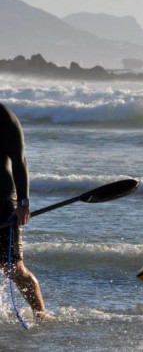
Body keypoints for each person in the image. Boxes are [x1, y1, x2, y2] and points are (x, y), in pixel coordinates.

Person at [0, 103, 46, 320]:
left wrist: (23, 204)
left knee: (13, 268)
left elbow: (20, 160)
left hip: (2, 202)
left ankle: (40, 314)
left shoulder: (4, 116)